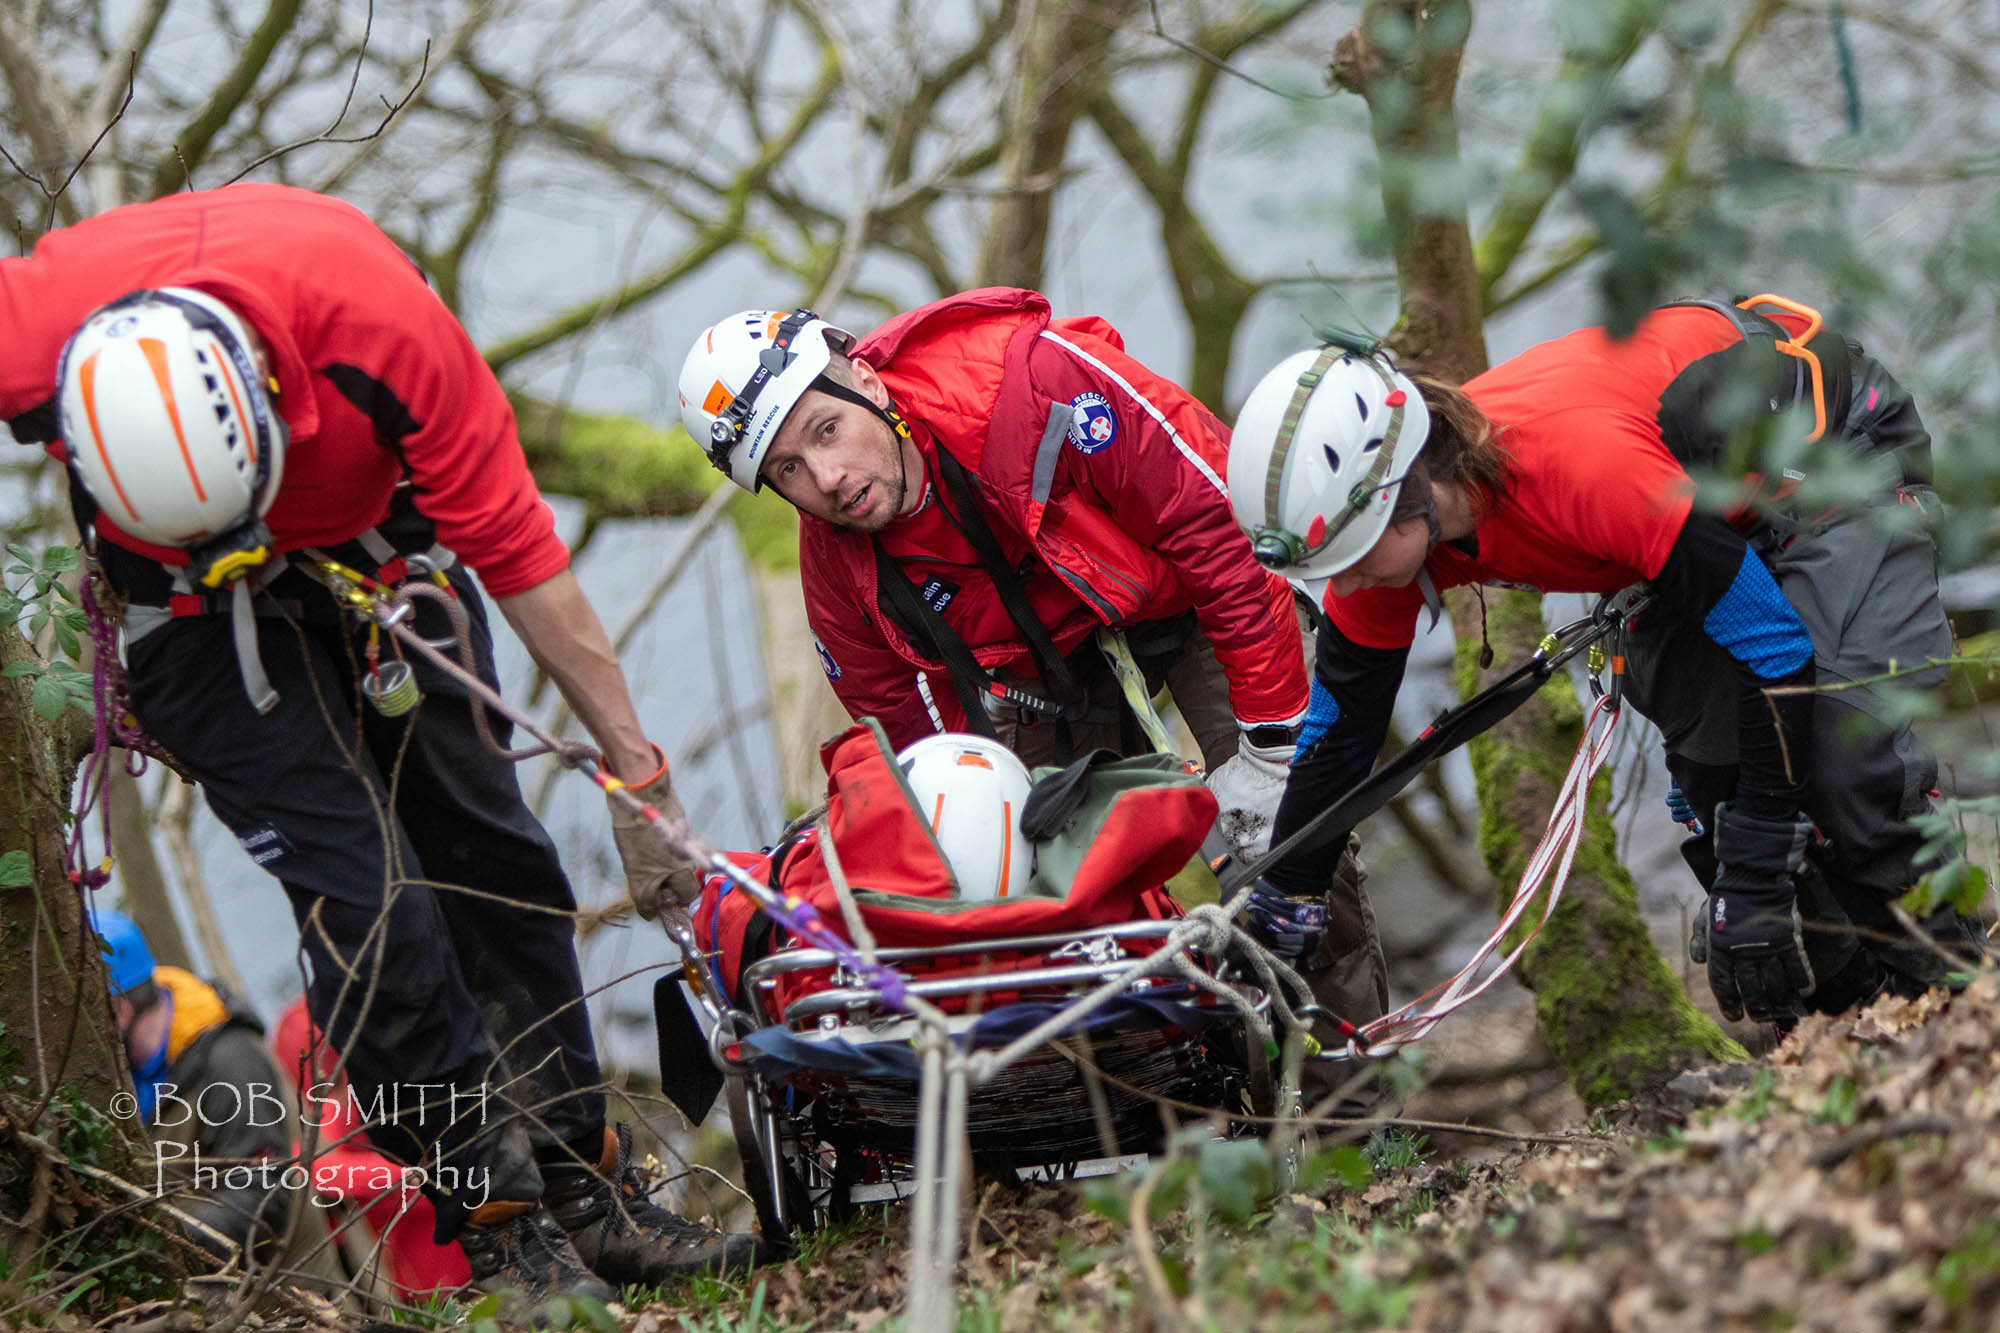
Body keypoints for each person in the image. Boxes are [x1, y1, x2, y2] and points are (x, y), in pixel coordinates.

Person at [4, 183, 770, 1301]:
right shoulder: (32, 322)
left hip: (374, 552)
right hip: (180, 607)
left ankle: (580, 1183)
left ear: (269, 397)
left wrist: (637, 781)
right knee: (366, 904)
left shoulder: (386, 334)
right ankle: (501, 1226)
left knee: (494, 860)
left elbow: (524, 566)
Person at [677, 292, 1391, 1079]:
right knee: (1041, 892)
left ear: (865, 383)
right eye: (789, 470)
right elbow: (915, 750)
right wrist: (963, 854)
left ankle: (1345, 1114)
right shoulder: (841, 572)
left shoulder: (1029, 388)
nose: (829, 477)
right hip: (1037, 667)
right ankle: (1160, 1115)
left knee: (1287, 835)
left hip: (1187, 586)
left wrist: (1269, 736)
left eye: (826, 430)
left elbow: (1217, 524)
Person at [1229, 296, 1982, 1030]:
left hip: (1833, 456)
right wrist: (1287, 898)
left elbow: (1776, 650)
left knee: (1848, 760)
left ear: (1406, 490)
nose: (1347, 584)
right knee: (1723, 788)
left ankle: (1954, 996)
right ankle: (1844, 1031)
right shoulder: (1382, 557)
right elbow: (1339, 736)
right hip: (1696, 509)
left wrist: (1757, 869)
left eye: (1354, 557)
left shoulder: (1579, 468)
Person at [91, 906, 346, 1282]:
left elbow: (262, 1199)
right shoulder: (125, 1073)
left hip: (297, 1297)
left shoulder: (231, 1061)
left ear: (120, 1009)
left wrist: (149, 1239)